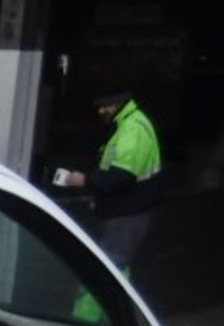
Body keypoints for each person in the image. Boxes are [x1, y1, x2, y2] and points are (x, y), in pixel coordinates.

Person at [57, 87, 162, 271]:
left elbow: (120, 176)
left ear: (119, 102)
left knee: (107, 271)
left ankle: (92, 301)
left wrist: (84, 180)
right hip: (125, 215)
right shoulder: (127, 125)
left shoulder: (133, 129)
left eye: (105, 106)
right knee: (114, 270)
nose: (101, 111)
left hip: (125, 218)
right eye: (99, 106)